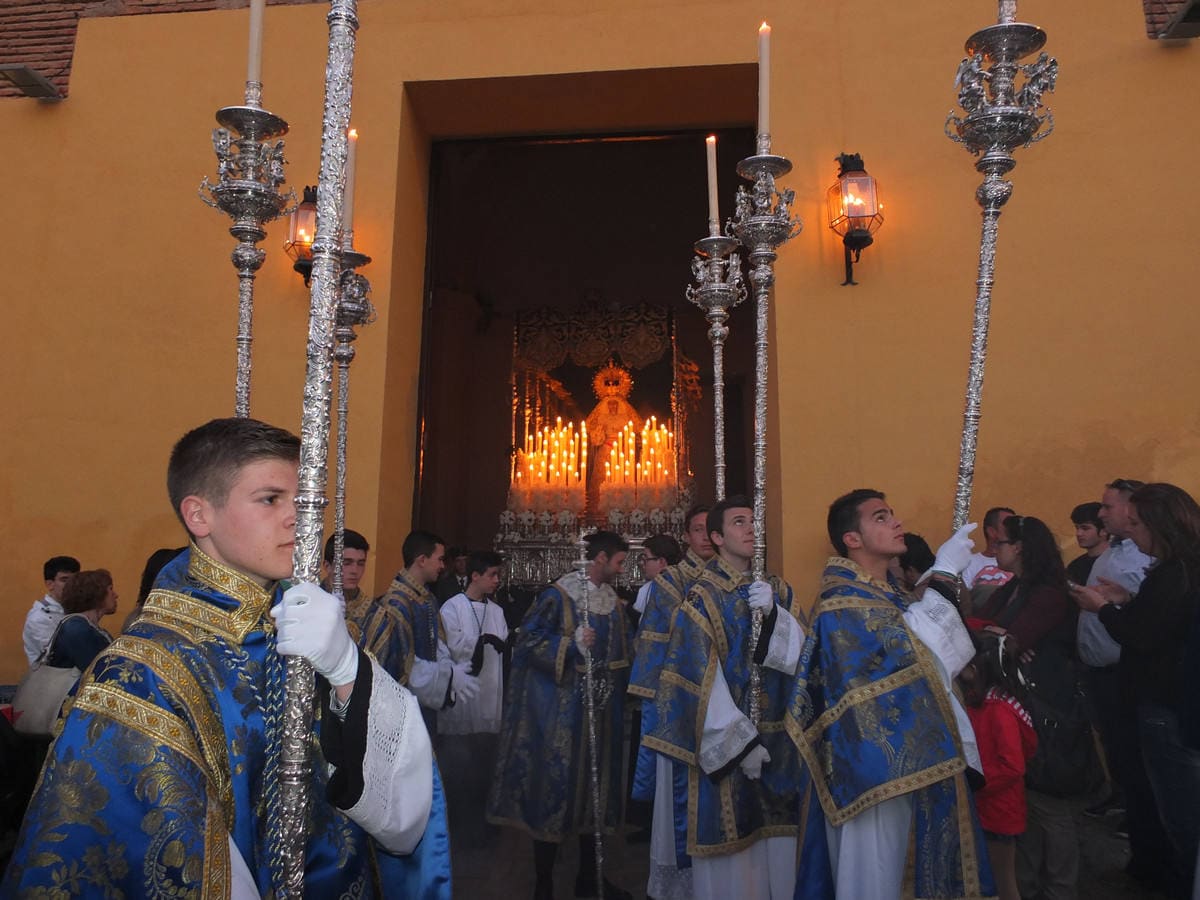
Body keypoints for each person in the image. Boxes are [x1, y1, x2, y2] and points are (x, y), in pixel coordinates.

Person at [3, 417, 446, 897]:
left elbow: (400, 812)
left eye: (303, 500)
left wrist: (347, 669)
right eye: (270, 499)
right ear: (199, 516)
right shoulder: (140, 669)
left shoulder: (304, 626)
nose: (299, 517)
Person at [786, 489, 993, 900]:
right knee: (879, 872)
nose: (896, 522)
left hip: (919, 757)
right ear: (852, 539)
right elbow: (912, 649)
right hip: (873, 776)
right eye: (881, 517)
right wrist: (946, 573)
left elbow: (931, 657)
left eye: (892, 514)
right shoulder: (841, 602)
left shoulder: (889, 595)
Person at [647, 497, 805, 900]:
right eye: (739, 522)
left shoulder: (777, 589)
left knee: (781, 847)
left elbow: (805, 658)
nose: (752, 528)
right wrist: (738, 742)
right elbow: (695, 675)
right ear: (717, 537)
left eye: (754, 521)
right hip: (732, 744)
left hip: (778, 742)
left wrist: (775, 617)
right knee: (737, 860)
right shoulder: (701, 597)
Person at [487, 530, 634, 900]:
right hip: (562, 719)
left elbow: (623, 653)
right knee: (556, 797)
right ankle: (544, 883)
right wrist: (568, 645)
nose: (622, 568)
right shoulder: (560, 597)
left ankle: (589, 876)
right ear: (599, 558)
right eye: (618, 561)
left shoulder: (613, 603)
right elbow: (527, 641)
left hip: (601, 716)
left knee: (594, 800)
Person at [1073, 482, 1200, 898]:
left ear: (1158, 525)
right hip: (1163, 699)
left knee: (1176, 811)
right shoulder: (1178, 569)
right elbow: (1163, 621)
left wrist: (1104, 609)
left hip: (1163, 703)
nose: (1132, 529)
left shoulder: (1174, 570)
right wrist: (1127, 599)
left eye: (1138, 523)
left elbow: (1145, 636)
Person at [1076, 478, 1166, 887]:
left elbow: (1148, 627)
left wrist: (1109, 607)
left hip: (1126, 676)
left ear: (1134, 510)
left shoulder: (1148, 560)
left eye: (1108, 506)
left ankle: (1153, 861)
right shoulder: (1114, 551)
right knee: (1125, 764)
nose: (1101, 513)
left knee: (1142, 769)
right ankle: (1142, 848)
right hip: (1104, 674)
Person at [628, 504, 712, 900]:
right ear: (688, 537)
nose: (706, 537)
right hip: (680, 706)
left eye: (712, 529)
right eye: (698, 530)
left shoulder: (741, 579)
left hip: (725, 706)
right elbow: (654, 652)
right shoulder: (669, 584)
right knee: (680, 805)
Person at [356, 530, 480, 737]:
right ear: (422, 560)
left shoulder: (426, 598)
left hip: (426, 702)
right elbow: (403, 666)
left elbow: (438, 643)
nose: (443, 566)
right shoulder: (396, 604)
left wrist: (449, 669)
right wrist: (446, 677)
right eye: (439, 559)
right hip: (405, 707)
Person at [960, 632, 1038, 900]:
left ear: (977, 668)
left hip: (998, 810)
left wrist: (975, 784)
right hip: (990, 806)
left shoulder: (998, 710)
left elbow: (1013, 766)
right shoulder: (986, 701)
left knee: (1003, 882)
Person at [439, 550, 509, 843]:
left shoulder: (497, 610)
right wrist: (481, 642)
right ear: (475, 576)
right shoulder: (451, 608)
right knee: (459, 762)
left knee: (484, 760)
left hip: (490, 692)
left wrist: (492, 642)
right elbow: (453, 646)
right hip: (463, 693)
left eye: (498, 575)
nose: (496, 581)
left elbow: (503, 640)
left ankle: (484, 822)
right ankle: (459, 823)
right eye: (492, 575)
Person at [45, 569, 118, 672]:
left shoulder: (85, 627)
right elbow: (98, 673)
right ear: (97, 593)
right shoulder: (76, 628)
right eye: (110, 589)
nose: (116, 595)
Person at [22, 555, 79, 666]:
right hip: (50, 680)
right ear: (50, 584)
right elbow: (57, 657)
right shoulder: (39, 618)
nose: (71, 585)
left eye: (74, 579)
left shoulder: (74, 609)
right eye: (64, 580)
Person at [963, 506, 1016, 607]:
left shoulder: (1018, 563)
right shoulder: (968, 562)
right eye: (1008, 524)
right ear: (991, 531)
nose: (1014, 529)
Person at [321, 528, 371, 616]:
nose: (355, 571)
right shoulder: (310, 603)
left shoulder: (373, 614)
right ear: (327, 566)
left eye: (360, 564)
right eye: (346, 563)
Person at [1066, 502, 1107, 587]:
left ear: (1104, 531)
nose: (1078, 533)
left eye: (1085, 528)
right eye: (1077, 528)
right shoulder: (1075, 566)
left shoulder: (1115, 562)